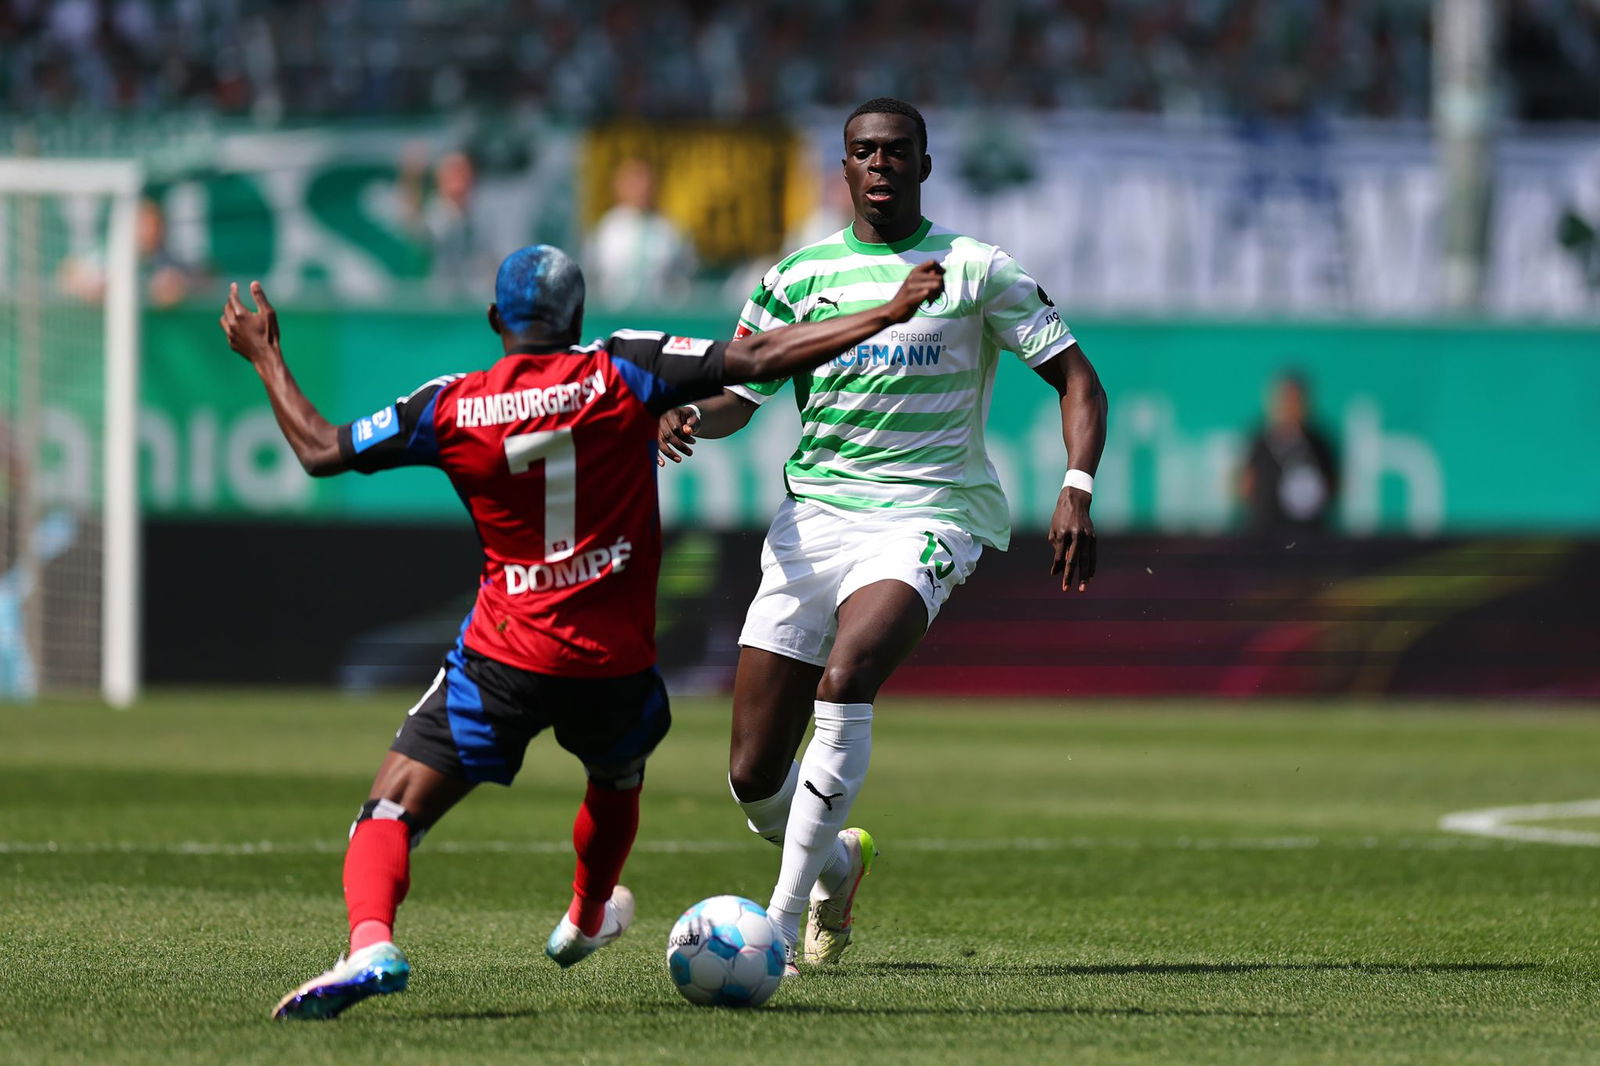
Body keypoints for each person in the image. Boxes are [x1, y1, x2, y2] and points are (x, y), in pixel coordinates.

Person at [218, 243, 945, 1020]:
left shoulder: (451, 403)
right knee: (616, 776)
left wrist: (265, 356)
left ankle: (371, 943)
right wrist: (886, 312)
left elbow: (321, 449)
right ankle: (588, 909)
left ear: (497, 319)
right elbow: (760, 352)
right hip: (615, 664)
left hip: (504, 654)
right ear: (578, 314)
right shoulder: (624, 368)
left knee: (392, 808)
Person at [655, 98, 1107, 970]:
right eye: (864, 152)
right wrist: (683, 414)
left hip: (930, 514)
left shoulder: (976, 269)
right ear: (846, 169)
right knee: (752, 776)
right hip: (815, 520)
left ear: (925, 165)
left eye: (897, 151)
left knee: (848, 673)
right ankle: (837, 863)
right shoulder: (794, 278)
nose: (881, 164)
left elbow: (1077, 379)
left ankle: (777, 930)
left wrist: (1076, 488)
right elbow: (735, 400)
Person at [1238, 371, 1340, 536]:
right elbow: (1245, 485)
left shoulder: (1319, 444)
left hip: (1309, 535)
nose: (1290, 406)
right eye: (1285, 400)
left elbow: (1334, 486)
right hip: (1264, 534)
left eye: (1295, 400)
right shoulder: (1259, 442)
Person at [586, 157, 696, 306]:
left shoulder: (668, 230)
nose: (641, 189)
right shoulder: (606, 229)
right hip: (613, 315)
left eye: (645, 182)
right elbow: (592, 276)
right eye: (634, 183)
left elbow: (685, 276)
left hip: (658, 315)